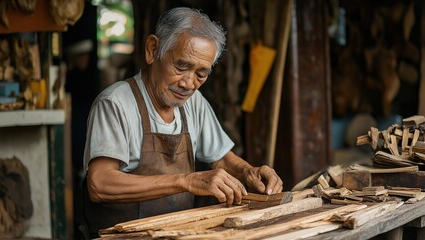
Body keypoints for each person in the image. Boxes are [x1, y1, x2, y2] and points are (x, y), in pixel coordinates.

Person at [82, 7, 283, 238]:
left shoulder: (193, 102)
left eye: (201, 74)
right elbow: (99, 183)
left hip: (175, 234)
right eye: (181, 67)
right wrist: (185, 181)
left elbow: (221, 158)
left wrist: (249, 171)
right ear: (152, 50)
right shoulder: (115, 103)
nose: (188, 84)